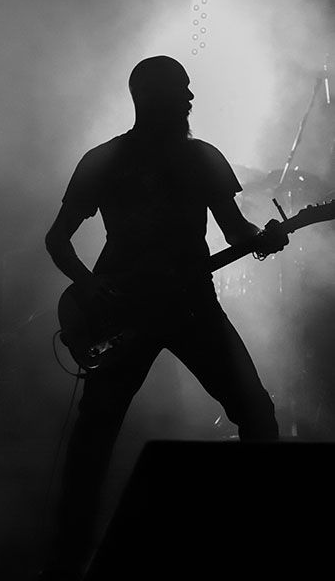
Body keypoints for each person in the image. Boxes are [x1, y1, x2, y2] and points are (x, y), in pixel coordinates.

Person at [43, 56, 288, 580]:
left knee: (250, 413)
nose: (191, 99)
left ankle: (66, 561)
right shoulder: (114, 159)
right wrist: (88, 285)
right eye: (182, 89)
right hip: (133, 310)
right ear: (151, 96)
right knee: (98, 432)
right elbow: (57, 238)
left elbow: (235, 229)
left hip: (187, 304)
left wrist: (264, 238)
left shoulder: (186, 157)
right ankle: (66, 561)